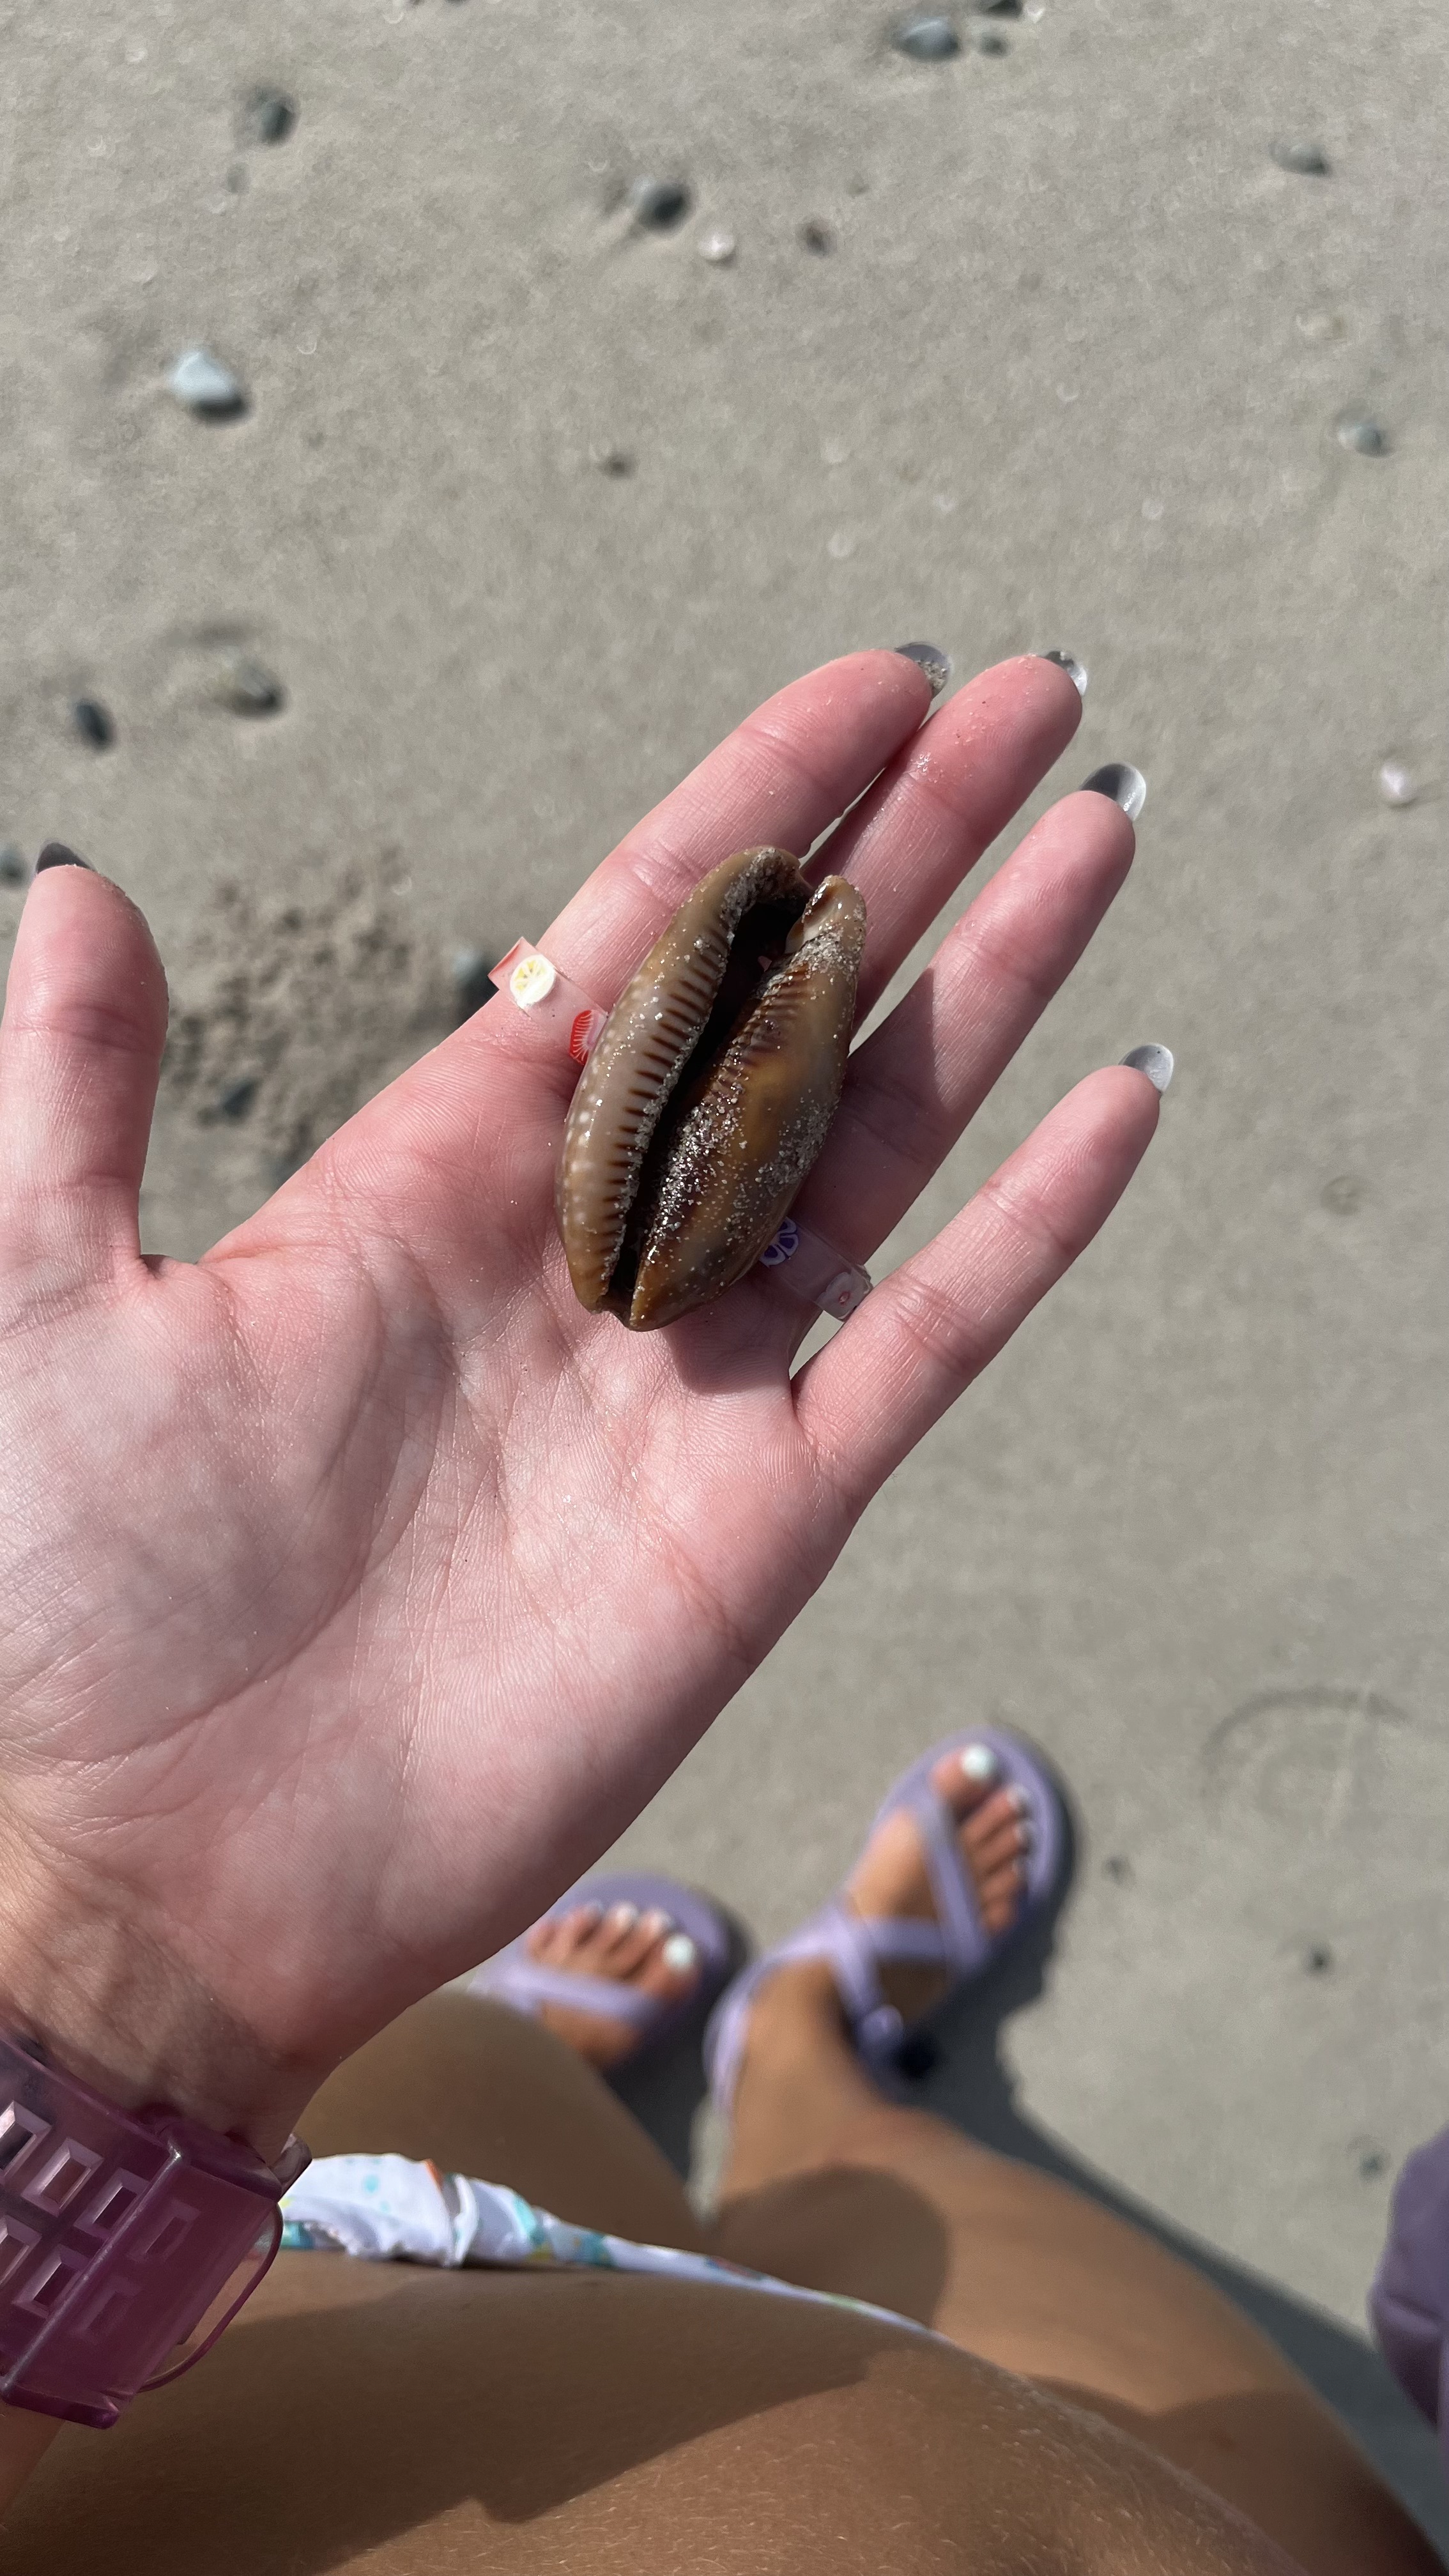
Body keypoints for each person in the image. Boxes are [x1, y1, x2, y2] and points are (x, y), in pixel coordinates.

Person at [0, 649, 1429, 2568]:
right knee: (1003, 2283)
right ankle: (832, 2070)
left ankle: (749, 2071)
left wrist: (88, 1986)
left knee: (466, 2081)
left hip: (255, 2291)